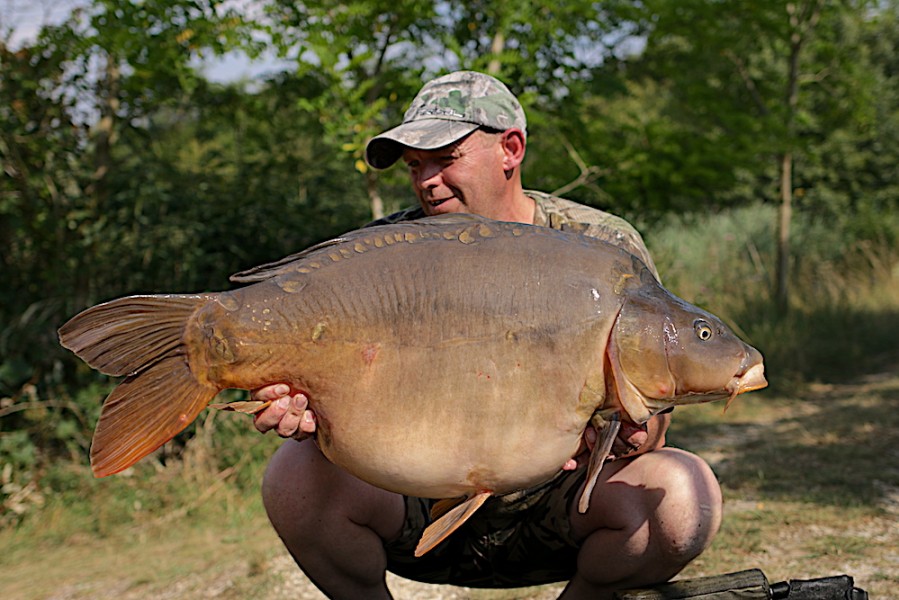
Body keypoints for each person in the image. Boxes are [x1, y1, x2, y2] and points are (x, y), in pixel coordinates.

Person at [251, 71, 722, 599]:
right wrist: (304, 409)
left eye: (445, 159)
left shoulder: (601, 249)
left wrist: (634, 435)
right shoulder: (387, 252)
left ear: (510, 149)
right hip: (411, 497)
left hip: (561, 505)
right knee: (293, 476)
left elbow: (657, 423)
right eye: (414, 165)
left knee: (683, 498)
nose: (426, 180)